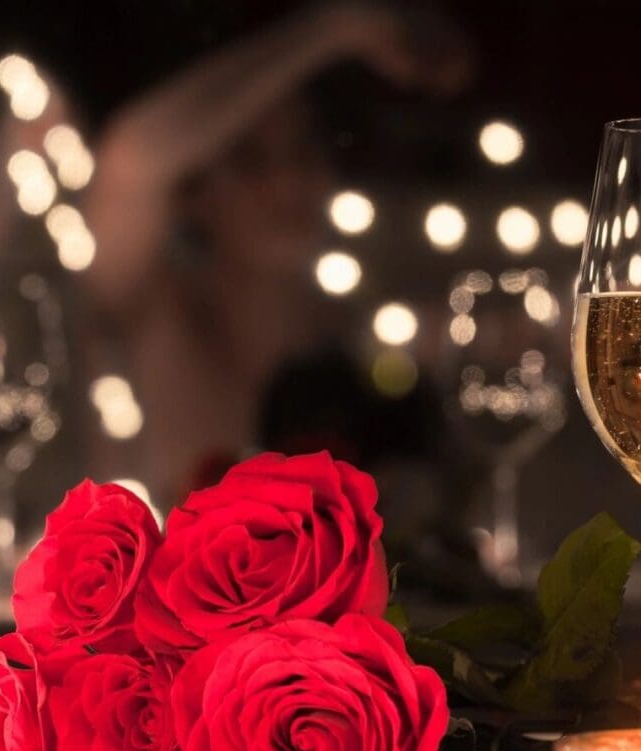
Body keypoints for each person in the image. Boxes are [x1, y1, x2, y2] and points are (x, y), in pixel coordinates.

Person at [72, 3, 469, 504]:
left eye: (304, 150)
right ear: (193, 194)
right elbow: (133, 158)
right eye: (249, 160)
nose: (288, 183)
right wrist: (335, 29)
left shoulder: (361, 341)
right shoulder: (152, 309)